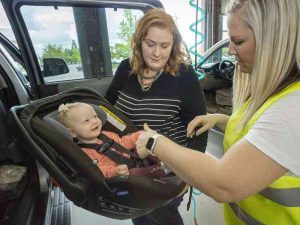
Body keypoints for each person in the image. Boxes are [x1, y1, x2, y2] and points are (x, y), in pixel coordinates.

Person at [135, 0, 300, 224]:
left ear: (274, 42)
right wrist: (222, 119)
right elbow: (264, 132)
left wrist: (155, 141)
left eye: (238, 41)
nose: (230, 51)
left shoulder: (293, 106)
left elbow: (223, 183)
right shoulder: (272, 92)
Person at [105, 8, 208, 225]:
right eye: (150, 44)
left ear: (173, 45)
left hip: (169, 170)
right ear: (139, 41)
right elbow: (108, 110)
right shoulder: (126, 69)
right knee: (139, 216)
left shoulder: (184, 75)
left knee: (163, 217)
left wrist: (192, 173)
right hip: (132, 167)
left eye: (164, 46)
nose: (157, 53)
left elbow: (199, 127)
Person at [57, 102, 140, 178]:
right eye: (86, 121)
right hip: (120, 177)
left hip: (136, 162)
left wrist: (138, 136)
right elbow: (98, 170)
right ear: (72, 132)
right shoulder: (84, 153)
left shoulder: (107, 135)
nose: (94, 121)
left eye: (95, 116)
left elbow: (124, 143)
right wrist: (115, 172)